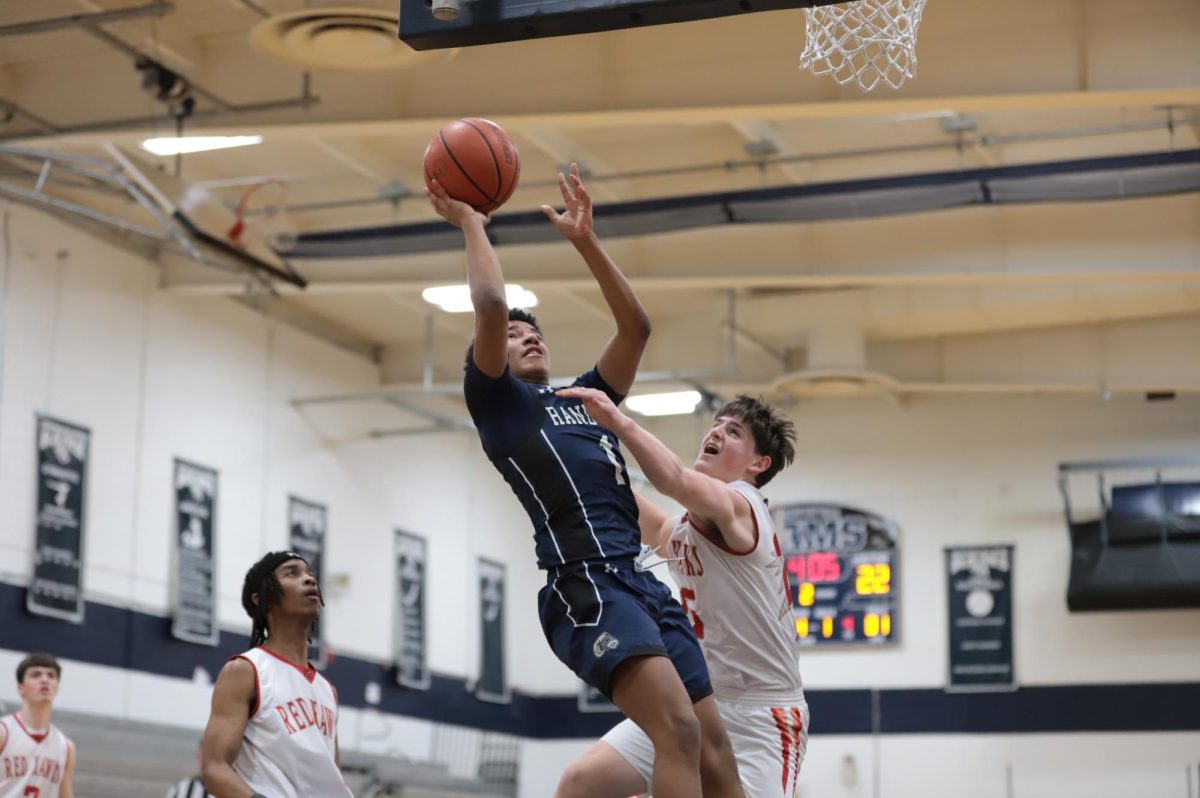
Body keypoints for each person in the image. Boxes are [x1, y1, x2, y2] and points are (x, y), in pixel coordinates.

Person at [427, 165, 746, 798]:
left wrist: (586, 241)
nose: (528, 337)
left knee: (716, 751)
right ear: (491, 360)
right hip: (585, 582)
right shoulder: (502, 406)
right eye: (514, 337)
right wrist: (470, 222)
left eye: (535, 330)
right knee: (676, 731)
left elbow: (637, 328)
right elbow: (490, 304)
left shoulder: (584, 396)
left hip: (641, 579)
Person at [552, 390, 810, 798]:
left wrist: (617, 422)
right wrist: (580, 455)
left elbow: (672, 478)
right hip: (702, 699)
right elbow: (649, 524)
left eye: (735, 431)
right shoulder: (692, 527)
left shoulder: (743, 505)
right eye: (717, 425)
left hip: (762, 713)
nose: (718, 432)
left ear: (757, 465)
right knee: (581, 784)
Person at [200, 552, 350, 798]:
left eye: (310, 574)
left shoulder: (328, 690)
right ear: (262, 599)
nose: (310, 580)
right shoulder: (246, 670)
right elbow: (215, 769)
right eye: (292, 573)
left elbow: (333, 779)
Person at [0, 653, 75, 798]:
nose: (45, 680)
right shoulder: (4, 732)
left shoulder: (66, 747)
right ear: (21, 687)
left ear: (57, 688)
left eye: (51, 676)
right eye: (36, 675)